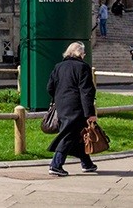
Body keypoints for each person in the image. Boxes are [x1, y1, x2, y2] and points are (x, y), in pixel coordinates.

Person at [46, 41, 99, 176]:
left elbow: (50, 87)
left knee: (77, 134)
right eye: (83, 53)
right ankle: (55, 165)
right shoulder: (83, 67)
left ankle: (87, 164)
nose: (84, 56)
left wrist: (59, 98)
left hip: (61, 105)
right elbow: (86, 91)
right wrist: (90, 113)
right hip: (77, 107)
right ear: (80, 53)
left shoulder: (58, 67)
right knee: (68, 134)